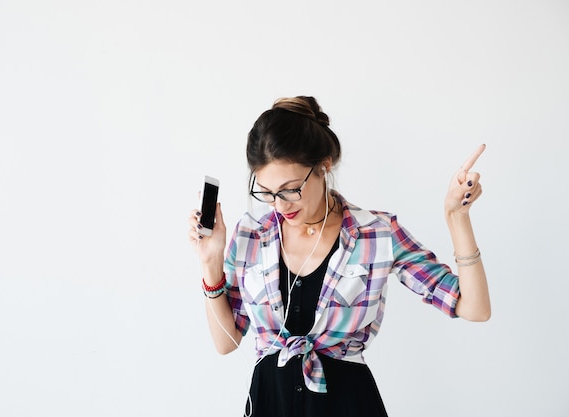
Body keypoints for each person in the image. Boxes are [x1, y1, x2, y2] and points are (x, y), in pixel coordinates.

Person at [187, 96, 491, 417]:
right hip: (269, 404)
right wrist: (210, 262)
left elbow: (475, 308)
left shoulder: (377, 233)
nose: (280, 205)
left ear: (324, 165)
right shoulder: (251, 234)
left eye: (291, 189)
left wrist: (457, 218)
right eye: (267, 192)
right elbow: (226, 342)